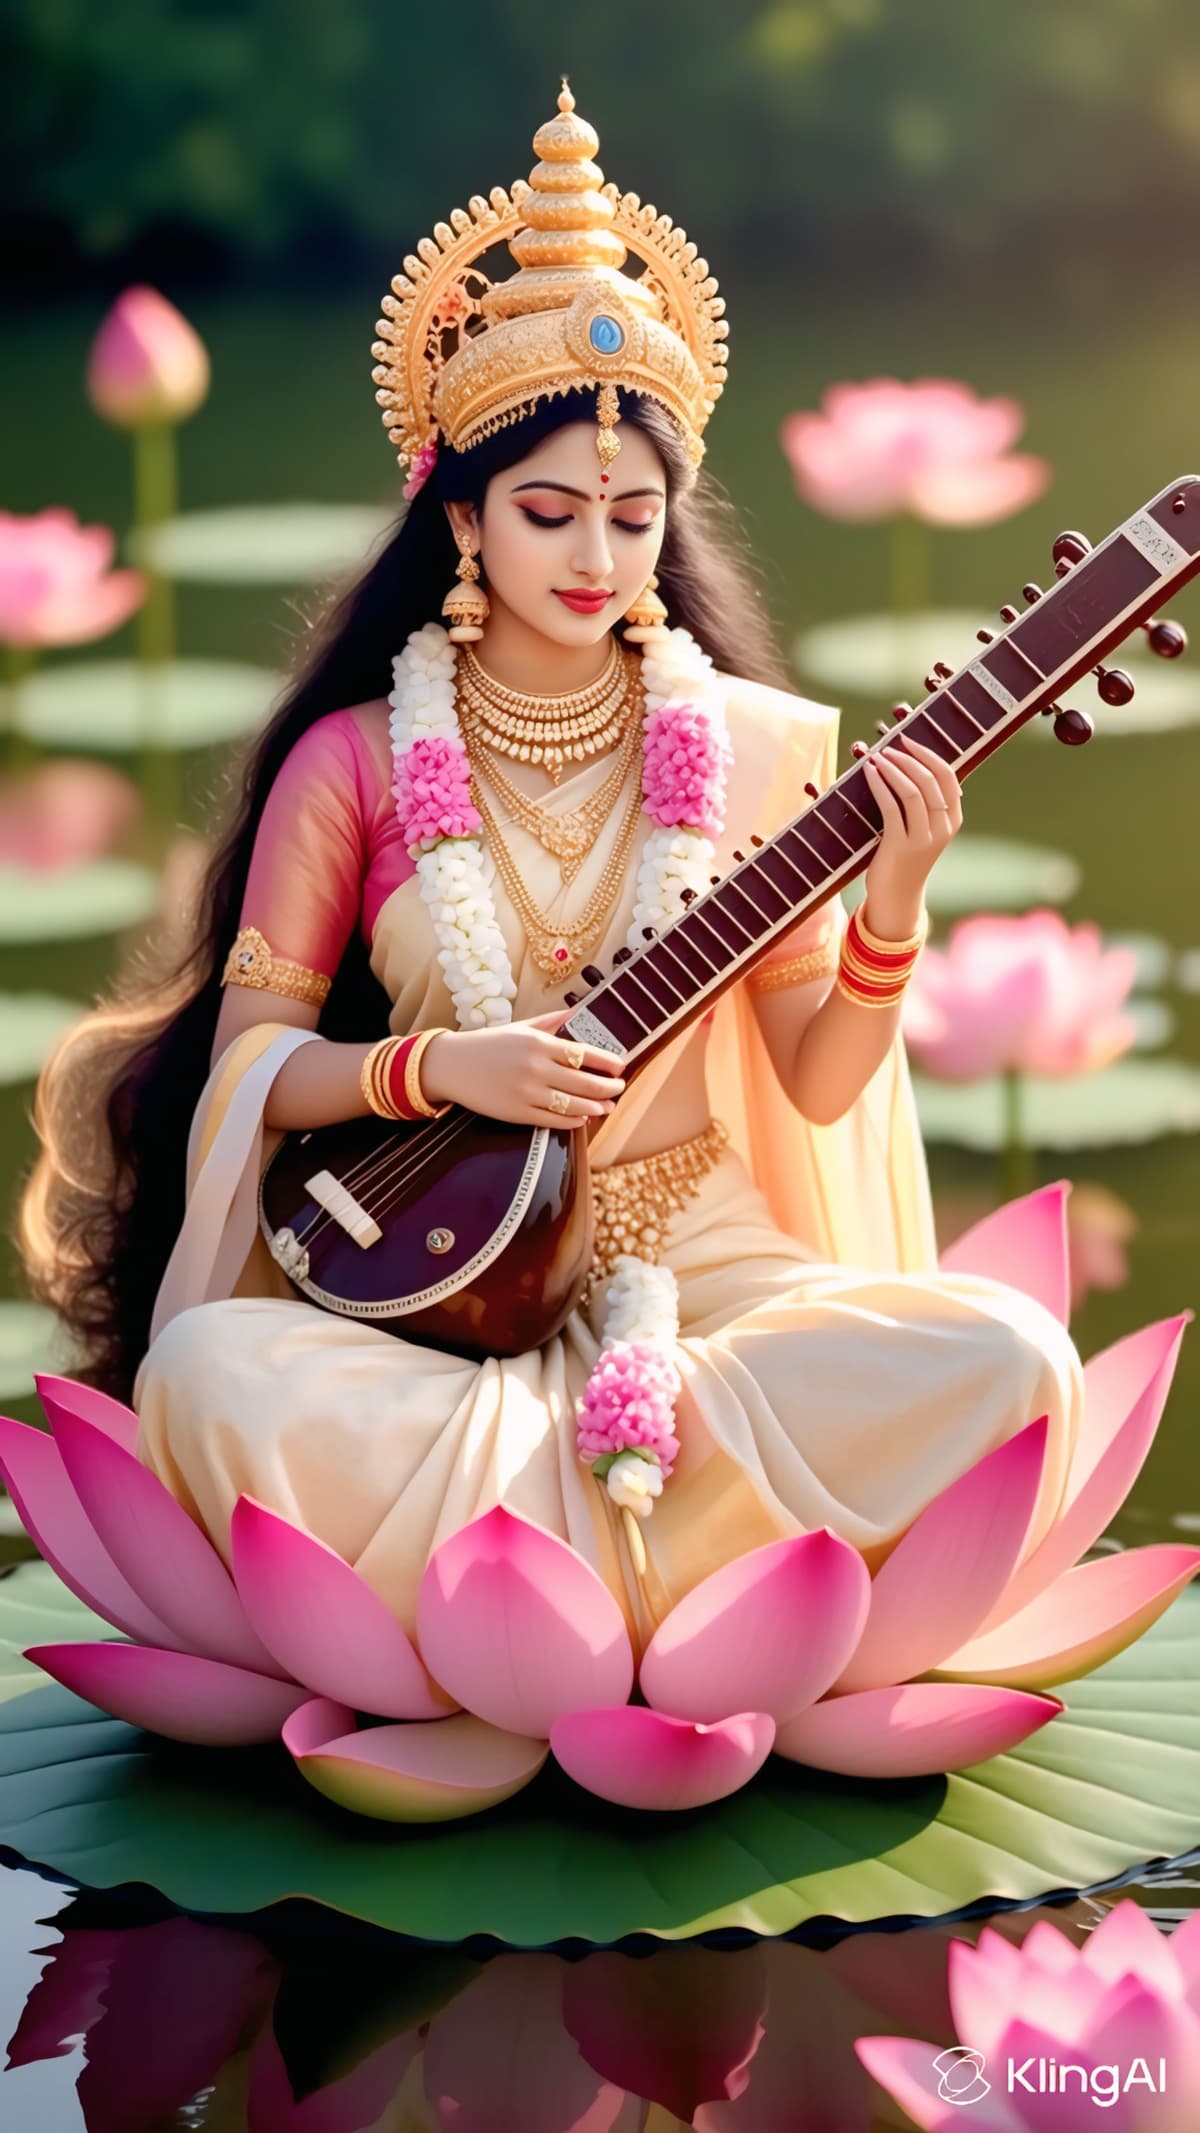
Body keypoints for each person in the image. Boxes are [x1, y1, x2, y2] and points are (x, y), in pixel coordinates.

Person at [18, 81, 1082, 1664]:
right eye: (550, 512)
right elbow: (253, 1070)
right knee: (208, 1382)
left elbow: (815, 1076)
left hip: (719, 1278)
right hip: (442, 1301)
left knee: (1016, 1364)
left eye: (635, 518)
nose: (597, 558)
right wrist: (448, 1066)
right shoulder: (359, 761)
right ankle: (680, 1604)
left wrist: (893, 912)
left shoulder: (759, 755)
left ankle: (538, 1605)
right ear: (461, 516)